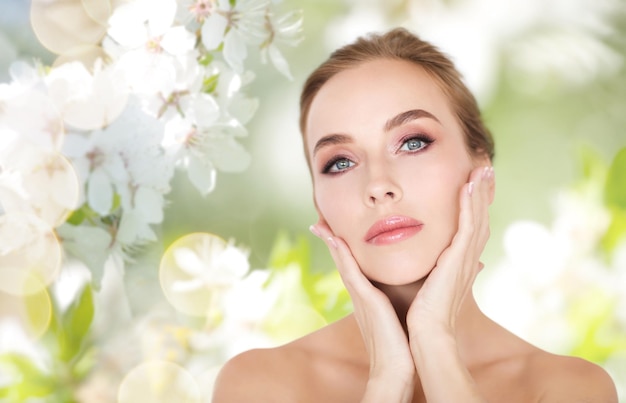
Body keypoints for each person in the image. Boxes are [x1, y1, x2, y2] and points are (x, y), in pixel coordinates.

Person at [212, 28, 618, 402]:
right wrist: (387, 378)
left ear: (483, 173)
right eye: (339, 163)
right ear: (320, 207)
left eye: (412, 142)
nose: (378, 185)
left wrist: (435, 343)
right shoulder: (261, 384)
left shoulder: (570, 389)